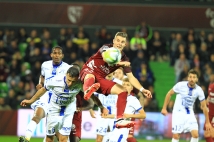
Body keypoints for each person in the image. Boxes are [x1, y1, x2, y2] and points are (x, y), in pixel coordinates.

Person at [79, 32, 151, 128]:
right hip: (89, 70)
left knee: (123, 90)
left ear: (125, 44)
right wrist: (121, 63)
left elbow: (131, 78)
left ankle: (119, 120)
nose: (119, 43)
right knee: (90, 76)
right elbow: (106, 58)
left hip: (100, 79)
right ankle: (87, 91)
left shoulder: (124, 58)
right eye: (117, 40)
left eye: (122, 42)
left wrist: (142, 89)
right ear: (113, 41)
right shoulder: (106, 47)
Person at [20, 66, 105, 142]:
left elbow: (92, 96)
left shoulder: (80, 84)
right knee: (50, 138)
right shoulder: (55, 80)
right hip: (53, 110)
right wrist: (30, 101)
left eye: (73, 81)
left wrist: (101, 107)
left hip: (68, 112)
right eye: (69, 80)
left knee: (64, 139)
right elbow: (42, 90)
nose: (70, 83)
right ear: (66, 74)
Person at [19, 46, 71, 142]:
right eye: (55, 53)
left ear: (62, 55)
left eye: (59, 53)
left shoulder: (67, 68)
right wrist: (40, 83)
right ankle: (26, 138)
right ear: (51, 54)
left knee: (57, 133)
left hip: (58, 99)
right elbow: (42, 76)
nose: (57, 55)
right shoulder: (45, 65)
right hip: (45, 95)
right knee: (37, 116)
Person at [161, 69, 212, 142]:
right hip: (178, 113)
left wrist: (207, 122)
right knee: (176, 136)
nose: (192, 79)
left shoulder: (199, 90)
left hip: (189, 114)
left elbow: (204, 107)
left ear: (197, 79)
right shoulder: (180, 85)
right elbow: (169, 94)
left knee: (195, 134)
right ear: (188, 78)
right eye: (190, 77)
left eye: (194, 77)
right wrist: (164, 108)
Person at [105, 77, 146, 142]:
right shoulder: (118, 97)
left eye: (128, 85)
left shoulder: (133, 100)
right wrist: (107, 116)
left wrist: (129, 115)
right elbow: (118, 115)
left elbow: (143, 115)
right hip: (114, 128)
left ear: (131, 88)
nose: (125, 86)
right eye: (124, 84)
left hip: (123, 129)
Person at [69, 63, 95, 142]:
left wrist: (81, 108)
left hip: (75, 116)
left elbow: (91, 103)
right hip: (63, 113)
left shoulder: (82, 85)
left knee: (75, 139)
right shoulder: (65, 83)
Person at [204, 74, 214, 142]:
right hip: (209, 114)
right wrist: (205, 103)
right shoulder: (210, 86)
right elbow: (209, 97)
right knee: (207, 134)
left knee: (211, 134)